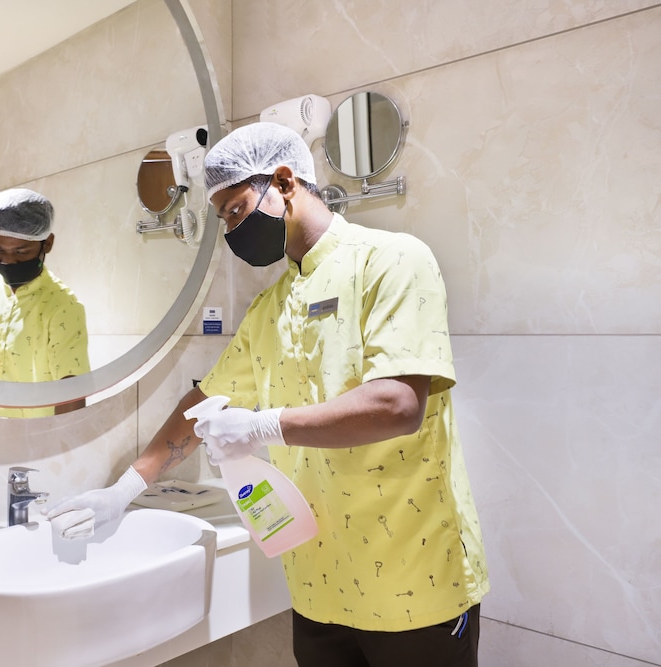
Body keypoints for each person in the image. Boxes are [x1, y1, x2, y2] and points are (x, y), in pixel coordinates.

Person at [46, 123, 489, 665]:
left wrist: (263, 425)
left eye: (235, 211)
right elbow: (201, 403)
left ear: (283, 182)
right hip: (319, 588)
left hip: (414, 583)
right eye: (224, 220)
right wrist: (125, 488)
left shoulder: (392, 261)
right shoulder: (268, 309)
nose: (233, 231)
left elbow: (398, 405)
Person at [0, 188, 90, 418]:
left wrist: (63, 438)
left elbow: (71, 390)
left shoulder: (63, 306)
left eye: (21, 252)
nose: (9, 261)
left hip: (34, 436)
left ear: (47, 244)